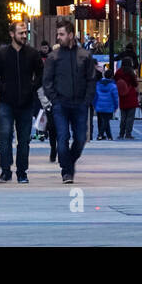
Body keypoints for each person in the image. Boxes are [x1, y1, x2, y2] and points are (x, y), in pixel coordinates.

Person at [0, 21, 43, 184]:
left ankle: (22, 172)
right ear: (12, 34)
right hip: (7, 102)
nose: (24, 36)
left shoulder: (32, 54)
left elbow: (41, 74)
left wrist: (32, 87)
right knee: (5, 137)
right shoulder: (3, 54)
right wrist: (3, 88)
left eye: (26, 33)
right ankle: (5, 170)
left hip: (26, 103)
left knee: (24, 139)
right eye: (21, 33)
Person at [42, 19, 97, 184]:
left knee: (81, 138)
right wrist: (54, 99)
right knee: (62, 137)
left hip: (80, 103)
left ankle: (68, 163)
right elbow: (47, 81)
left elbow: (91, 79)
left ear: (71, 35)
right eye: (58, 34)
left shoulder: (85, 56)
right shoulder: (54, 57)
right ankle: (67, 171)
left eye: (62, 34)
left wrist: (87, 100)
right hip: (61, 103)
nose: (59, 37)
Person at [115, 60, 140, 139]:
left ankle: (121, 133)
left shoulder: (118, 72)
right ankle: (128, 133)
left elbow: (115, 81)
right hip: (131, 94)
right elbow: (135, 83)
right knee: (130, 117)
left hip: (122, 95)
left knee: (123, 116)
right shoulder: (131, 72)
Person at [94, 69, 119, 139]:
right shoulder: (113, 86)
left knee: (105, 121)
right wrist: (116, 106)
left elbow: (95, 95)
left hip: (99, 105)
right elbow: (115, 97)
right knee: (106, 121)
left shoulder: (98, 84)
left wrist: (94, 104)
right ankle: (100, 134)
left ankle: (109, 136)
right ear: (111, 76)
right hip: (109, 106)